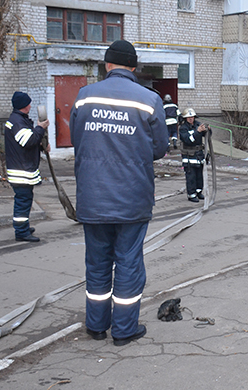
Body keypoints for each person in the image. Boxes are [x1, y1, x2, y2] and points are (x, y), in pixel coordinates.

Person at [69, 39, 168, 346]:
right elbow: (160, 148)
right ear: (134, 67)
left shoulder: (84, 97)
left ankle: (96, 326)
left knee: (97, 263)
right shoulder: (149, 99)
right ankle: (124, 330)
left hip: (93, 196)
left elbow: (77, 139)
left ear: (108, 65)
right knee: (128, 262)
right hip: (132, 198)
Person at [4, 91, 50, 243]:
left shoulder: (18, 119)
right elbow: (28, 141)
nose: (31, 105)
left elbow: (28, 143)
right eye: (29, 103)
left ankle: (23, 226)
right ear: (25, 105)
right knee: (23, 201)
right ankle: (22, 232)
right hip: (21, 171)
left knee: (25, 199)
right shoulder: (17, 122)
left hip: (21, 169)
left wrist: (43, 146)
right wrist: (40, 128)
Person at [178, 108, 209, 202]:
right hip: (189, 157)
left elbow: (207, 136)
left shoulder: (198, 125)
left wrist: (207, 130)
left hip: (199, 155)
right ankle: (191, 195)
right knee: (191, 177)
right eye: (188, 117)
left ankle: (199, 192)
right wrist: (198, 132)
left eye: (192, 116)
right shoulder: (183, 128)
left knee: (200, 176)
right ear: (185, 118)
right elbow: (188, 140)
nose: (191, 118)